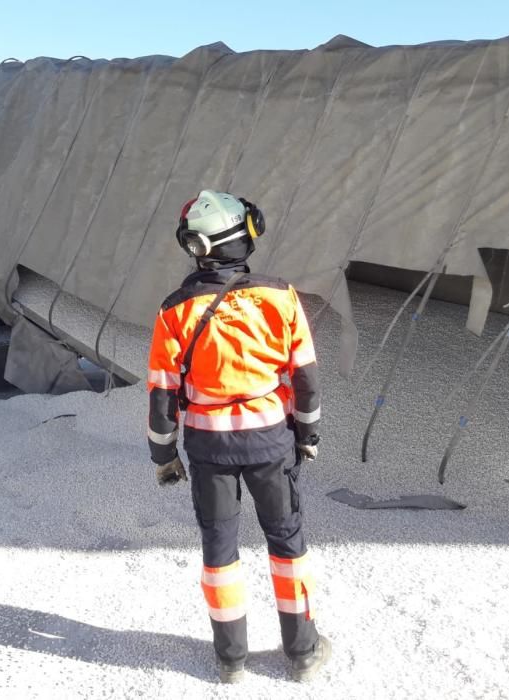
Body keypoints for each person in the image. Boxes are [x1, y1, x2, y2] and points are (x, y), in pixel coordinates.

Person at [146, 190, 329, 684]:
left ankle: (231, 661)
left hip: (208, 448)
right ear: (240, 238)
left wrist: (163, 455)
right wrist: (307, 433)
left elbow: (163, 392)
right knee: (287, 542)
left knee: (219, 549)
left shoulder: (174, 309)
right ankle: (303, 653)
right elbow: (306, 376)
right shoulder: (279, 295)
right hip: (270, 440)